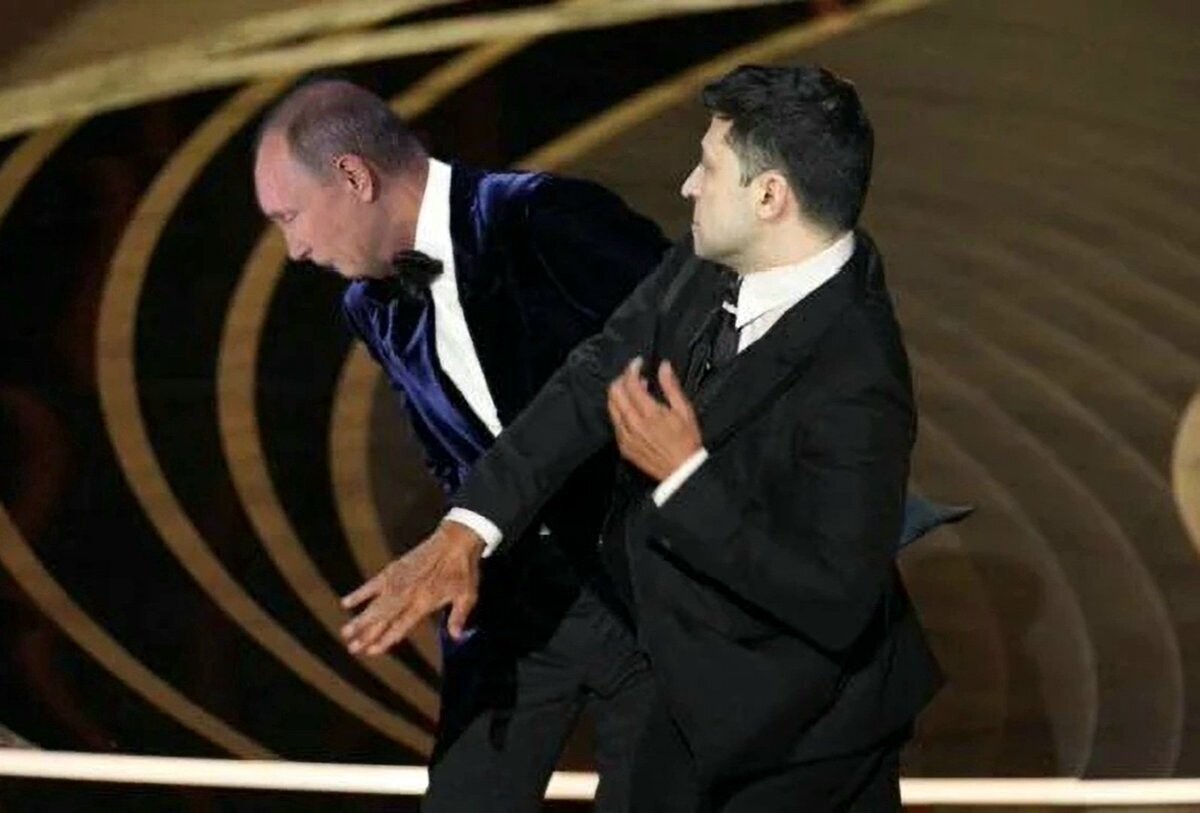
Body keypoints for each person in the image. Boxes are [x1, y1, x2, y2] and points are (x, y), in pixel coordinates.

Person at [341, 64, 945, 811]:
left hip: (801, 742)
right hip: (683, 698)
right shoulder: (706, 263)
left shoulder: (860, 376)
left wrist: (685, 477)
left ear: (770, 197)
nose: (688, 186)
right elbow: (594, 373)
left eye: (709, 167)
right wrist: (469, 527)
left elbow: (832, 597)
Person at [253, 78, 669, 812]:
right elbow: (450, 454)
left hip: (648, 587)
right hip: (512, 599)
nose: (295, 249)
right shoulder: (370, 306)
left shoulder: (541, 217)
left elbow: (700, 345)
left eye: (290, 216)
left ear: (354, 176)